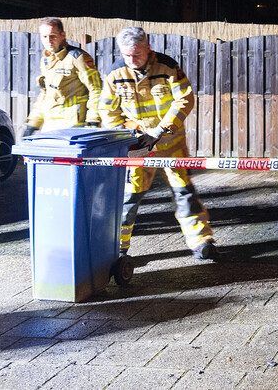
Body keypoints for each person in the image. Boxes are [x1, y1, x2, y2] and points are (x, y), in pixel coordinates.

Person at [99, 26, 217, 260]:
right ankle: (118, 248)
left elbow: (185, 99)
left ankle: (201, 241)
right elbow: (107, 111)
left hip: (170, 143)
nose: (132, 60)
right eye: (126, 55)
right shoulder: (114, 74)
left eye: (137, 54)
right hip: (137, 147)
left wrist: (161, 129)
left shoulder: (168, 67)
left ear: (148, 47)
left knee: (184, 192)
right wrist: (129, 135)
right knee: (129, 197)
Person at [23, 18, 101, 134]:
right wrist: (33, 123)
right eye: (44, 37)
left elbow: (96, 89)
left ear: (62, 35)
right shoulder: (46, 60)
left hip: (74, 123)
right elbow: (46, 94)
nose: (49, 41)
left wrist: (93, 120)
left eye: (53, 36)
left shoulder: (78, 58)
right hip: (51, 122)